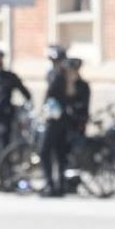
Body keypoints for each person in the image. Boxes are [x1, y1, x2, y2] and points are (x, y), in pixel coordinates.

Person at [40, 57, 89, 197]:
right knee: (60, 155)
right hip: (68, 125)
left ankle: (51, 185)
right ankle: (60, 185)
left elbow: (49, 96)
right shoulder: (77, 85)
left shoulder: (60, 80)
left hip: (56, 123)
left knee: (45, 151)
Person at [0, 48, 31, 160]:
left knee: (3, 144)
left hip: (4, 116)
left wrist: (25, 106)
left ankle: (5, 170)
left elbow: (25, 92)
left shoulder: (10, 77)